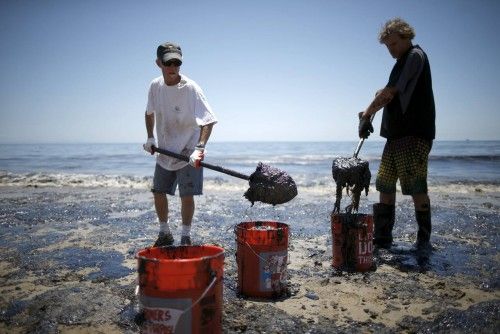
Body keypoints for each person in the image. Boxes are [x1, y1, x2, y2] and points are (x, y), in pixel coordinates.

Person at [358, 18, 435, 252]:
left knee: (416, 187)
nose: (391, 49)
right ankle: (382, 239)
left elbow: (391, 92)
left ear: (406, 37)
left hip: (413, 134)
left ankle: (423, 241)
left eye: (393, 44)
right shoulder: (401, 61)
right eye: (387, 46)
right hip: (395, 136)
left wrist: (367, 113)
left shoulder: (414, 56)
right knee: (385, 185)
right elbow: (387, 91)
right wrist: (369, 110)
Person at [143, 42, 217, 247]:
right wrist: (150, 138)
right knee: (158, 191)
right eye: (168, 63)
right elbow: (149, 112)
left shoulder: (191, 88)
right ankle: (164, 232)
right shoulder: (155, 86)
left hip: (188, 150)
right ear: (159, 63)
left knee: (187, 195)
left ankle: (185, 236)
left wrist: (200, 148)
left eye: (177, 63)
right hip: (165, 151)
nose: (173, 67)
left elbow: (209, 120)